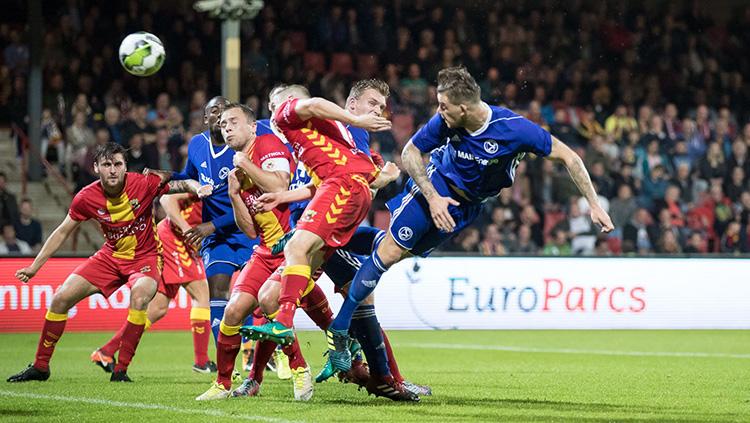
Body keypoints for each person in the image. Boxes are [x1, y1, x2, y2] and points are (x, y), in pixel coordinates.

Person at [324, 66, 614, 373]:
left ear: (464, 108)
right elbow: (411, 152)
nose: (438, 111)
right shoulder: (446, 120)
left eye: (444, 106)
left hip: (468, 208)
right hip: (435, 187)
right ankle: (340, 329)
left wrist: (594, 204)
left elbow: (569, 156)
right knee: (390, 252)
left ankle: (337, 241)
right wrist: (433, 197)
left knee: (397, 252)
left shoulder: (515, 130)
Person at [7, 143, 173, 383]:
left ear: (125, 167)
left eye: (118, 164)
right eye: (107, 164)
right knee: (60, 299)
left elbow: (179, 183)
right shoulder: (86, 197)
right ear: (96, 168)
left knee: (139, 297)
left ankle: (120, 370)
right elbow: (63, 232)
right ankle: (41, 366)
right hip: (110, 256)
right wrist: (35, 267)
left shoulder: (142, 183)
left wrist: (200, 187)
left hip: (145, 257)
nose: (113, 170)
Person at [243, 84, 390, 350]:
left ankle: (288, 324)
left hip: (342, 187)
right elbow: (323, 180)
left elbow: (313, 105)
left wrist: (357, 119)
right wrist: (282, 197)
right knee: (288, 269)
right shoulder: (318, 136)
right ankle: (341, 345)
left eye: (278, 105)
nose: (275, 112)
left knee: (296, 248)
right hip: (346, 189)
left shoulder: (286, 115)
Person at [195, 103, 312, 401]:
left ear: (251, 126)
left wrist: (245, 166)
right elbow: (249, 230)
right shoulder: (239, 164)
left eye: (233, 122)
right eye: (223, 124)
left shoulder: (267, 144)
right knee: (233, 312)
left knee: (272, 301)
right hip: (263, 248)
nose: (227, 128)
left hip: (291, 247)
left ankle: (300, 370)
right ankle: (222, 384)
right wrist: (234, 194)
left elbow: (280, 184)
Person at [167, 97, 259, 349]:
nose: (221, 116)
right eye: (215, 111)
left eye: (226, 111)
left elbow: (252, 201)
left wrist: (212, 225)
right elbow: (189, 177)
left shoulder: (242, 147)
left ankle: (265, 354)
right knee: (217, 289)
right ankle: (224, 357)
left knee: (256, 295)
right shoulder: (197, 144)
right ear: (206, 118)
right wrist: (166, 177)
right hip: (218, 238)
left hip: (249, 230)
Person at [91, 193, 216, 374]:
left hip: (184, 243)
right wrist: (188, 230)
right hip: (174, 239)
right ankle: (202, 361)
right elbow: (167, 199)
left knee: (157, 309)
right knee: (202, 294)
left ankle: (106, 351)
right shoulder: (209, 184)